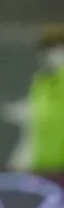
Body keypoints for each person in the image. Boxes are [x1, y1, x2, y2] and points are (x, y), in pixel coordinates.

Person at [30, 25, 64, 173]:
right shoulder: (39, 84)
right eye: (49, 48)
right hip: (42, 167)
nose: (53, 53)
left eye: (58, 47)